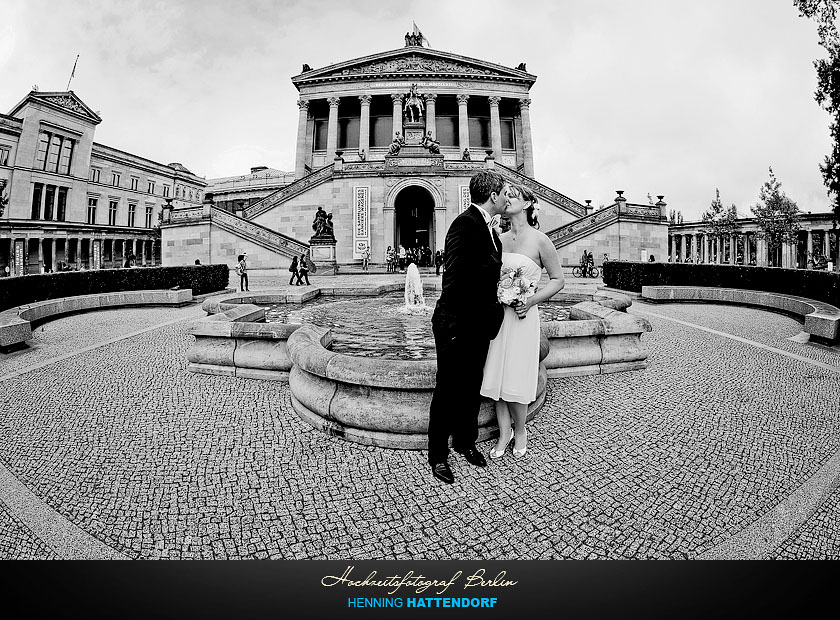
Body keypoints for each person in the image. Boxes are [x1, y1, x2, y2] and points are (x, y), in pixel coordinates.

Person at [427, 169, 509, 485]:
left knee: (472, 384)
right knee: (448, 388)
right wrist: (457, 327)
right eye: (503, 193)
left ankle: (465, 441)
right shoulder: (464, 224)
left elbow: (486, 278)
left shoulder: (491, 230)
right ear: (492, 196)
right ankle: (437, 454)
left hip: (479, 324)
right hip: (456, 324)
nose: (506, 198)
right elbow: (454, 281)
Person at [481, 184, 564, 460]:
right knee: (498, 375)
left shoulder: (541, 240)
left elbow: (558, 281)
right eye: (506, 194)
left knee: (516, 375)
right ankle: (504, 433)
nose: (508, 198)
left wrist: (531, 300)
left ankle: (521, 429)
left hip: (524, 315)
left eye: (514, 194)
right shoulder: (498, 239)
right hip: (499, 316)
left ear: (528, 204)